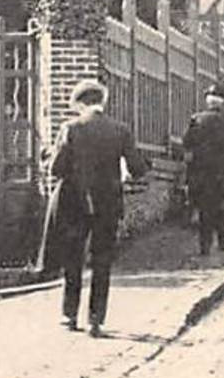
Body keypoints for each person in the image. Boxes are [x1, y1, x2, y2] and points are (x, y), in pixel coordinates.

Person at [47, 78, 149, 337]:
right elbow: (137, 168)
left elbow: (56, 169)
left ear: (80, 103)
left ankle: (69, 315)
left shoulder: (71, 128)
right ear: (102, 101)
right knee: (102, 260)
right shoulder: (121, 129)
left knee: (73, 258)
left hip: (75, 201)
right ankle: (96, 319)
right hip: (108, 202)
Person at [182, 82, 224, 255]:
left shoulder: (196, 119)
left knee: (205, 209)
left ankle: (205, 245)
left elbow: (187, 143)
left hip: (201, 172)